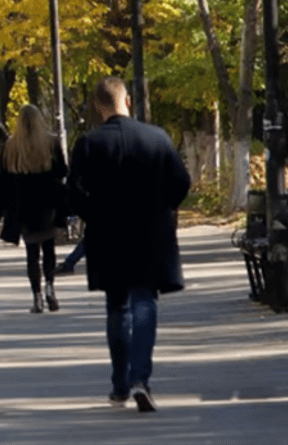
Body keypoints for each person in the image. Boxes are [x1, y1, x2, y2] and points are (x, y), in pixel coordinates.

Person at [68, 76, 191, 412]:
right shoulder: (156, 138)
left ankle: (120, 385)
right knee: (145, 303)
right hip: (151, 234)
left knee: (117, 307)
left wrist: (94, 214)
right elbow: (181, 182)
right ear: (128, 102)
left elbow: (74, 191)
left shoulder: (89, 144)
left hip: (109, 236)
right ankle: (141, 378)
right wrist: (162, 207)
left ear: (98, 106)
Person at [0, 104, 69, 314]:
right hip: (48, 205)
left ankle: (36, 297)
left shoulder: (11, 147)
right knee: (49, 249)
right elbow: (62, 171)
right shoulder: (51, 143)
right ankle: (50, 288)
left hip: (23, 208)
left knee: (32, 253)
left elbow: (4, 182)